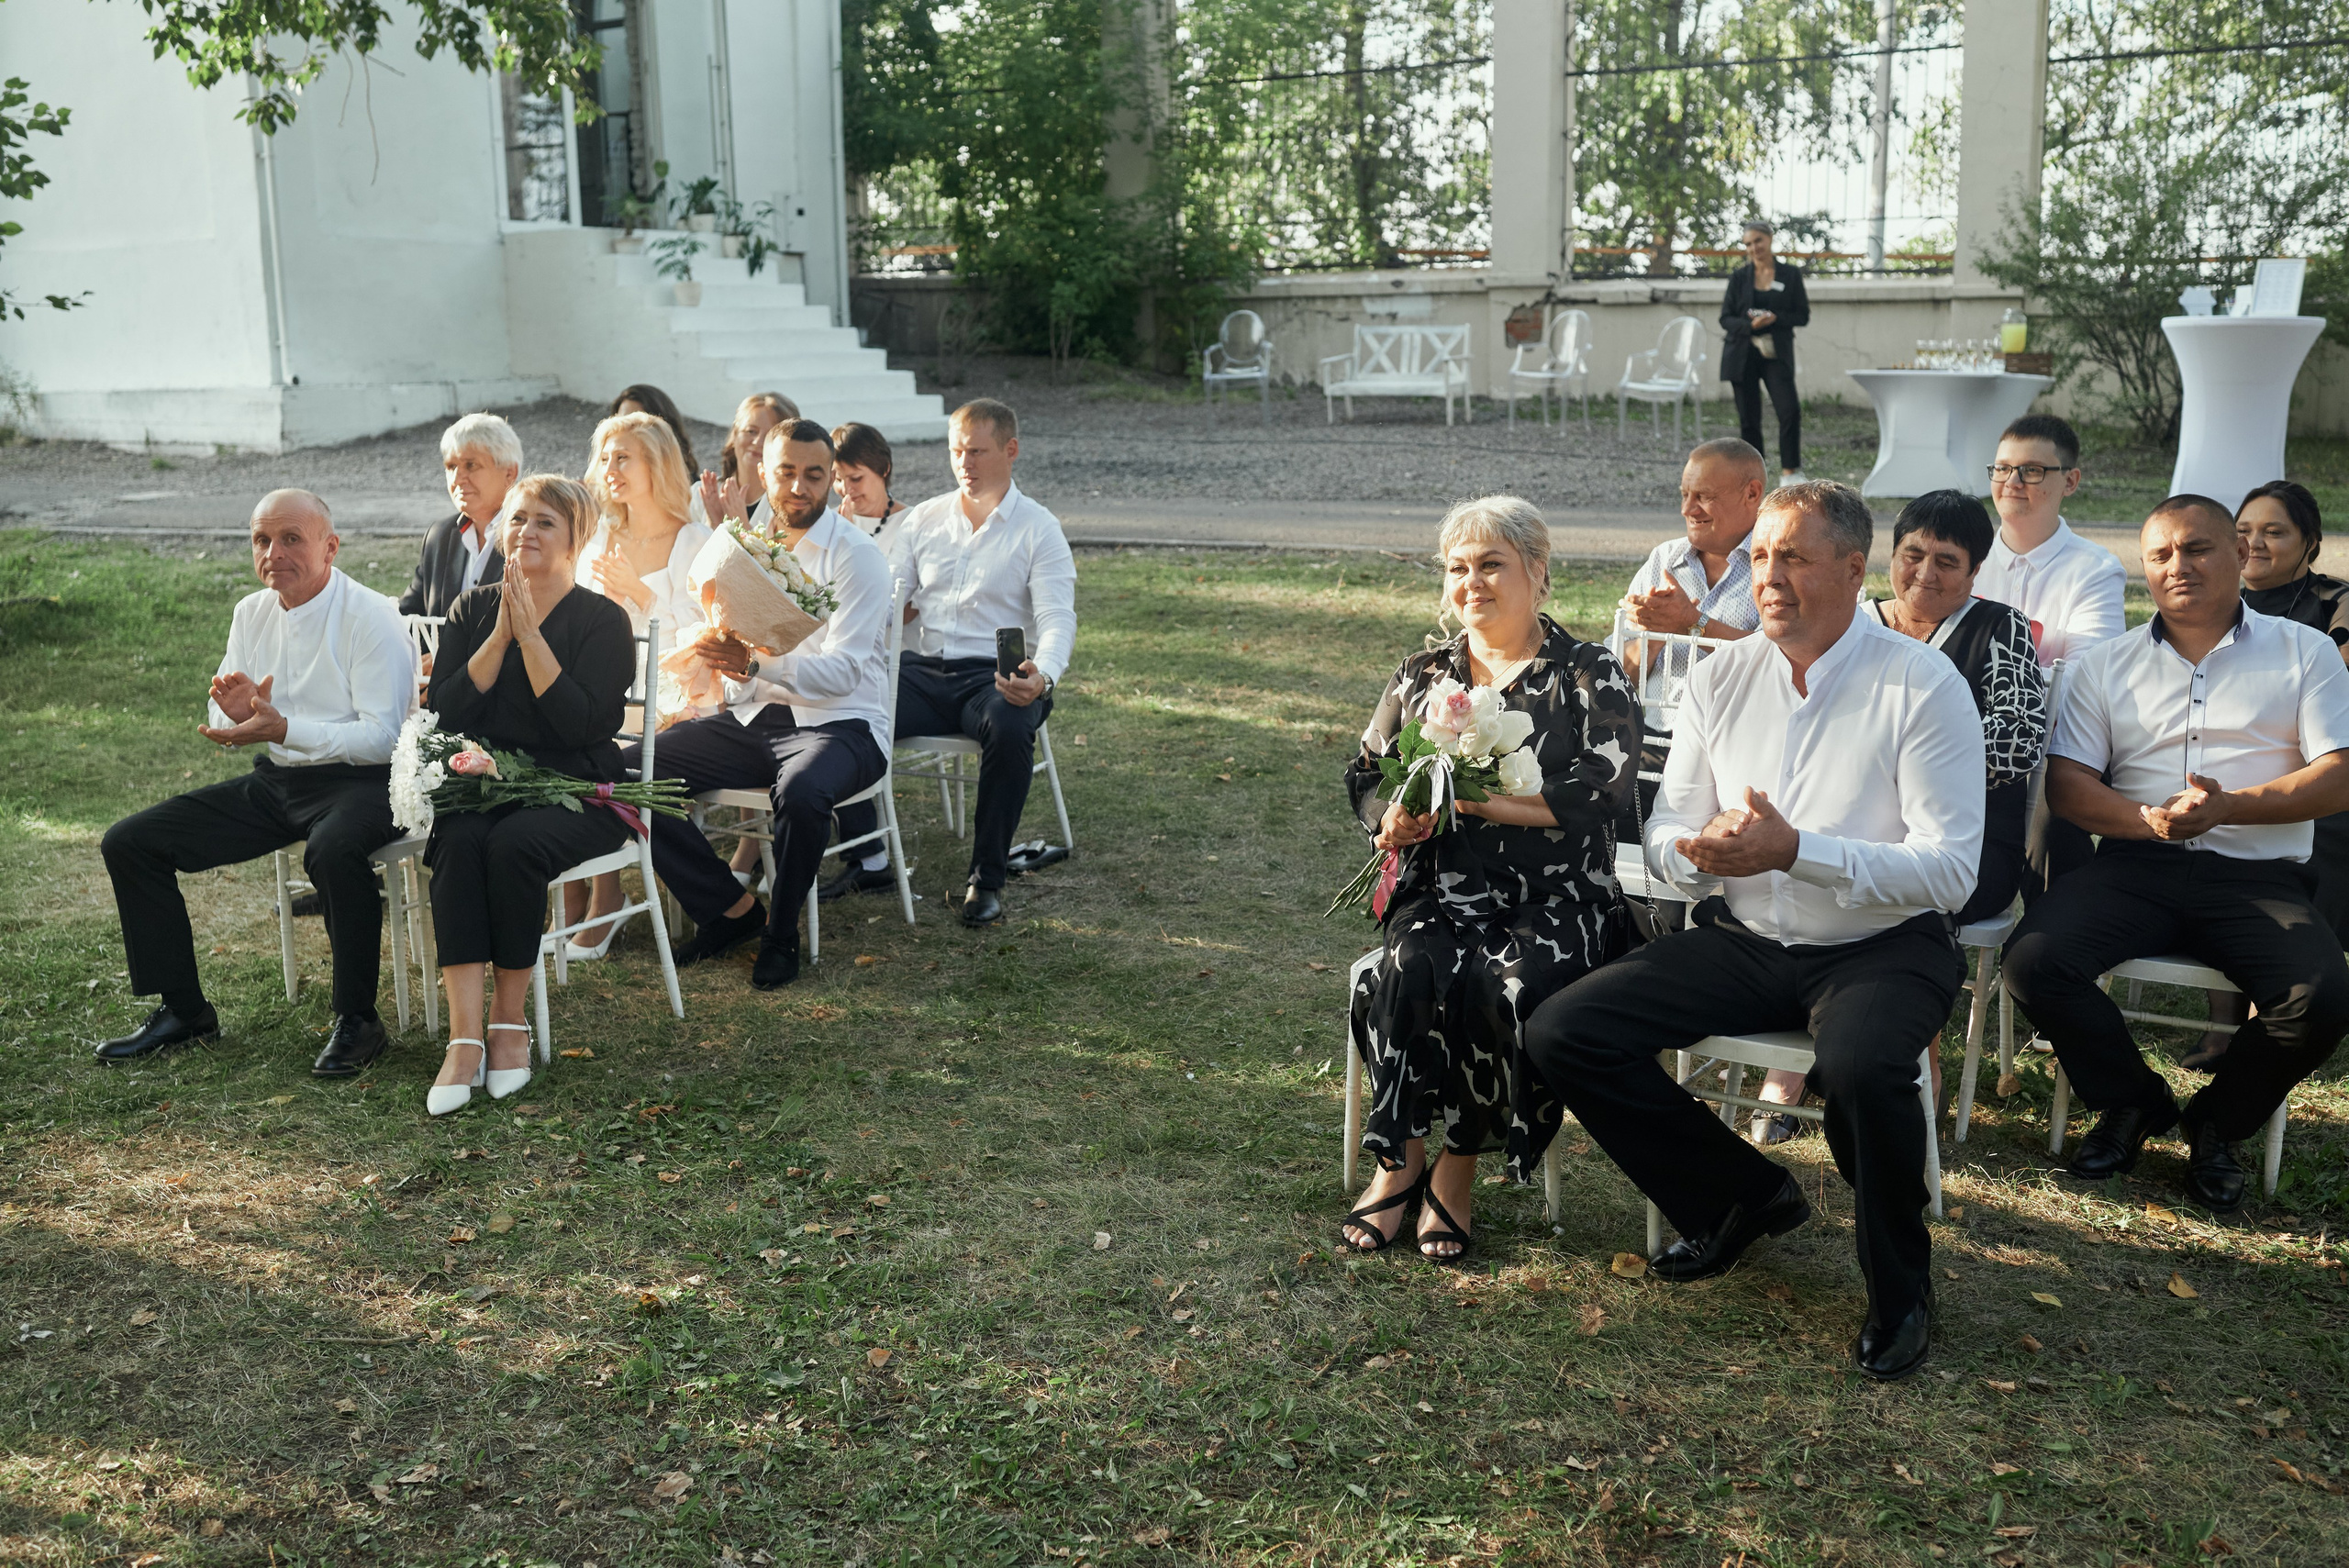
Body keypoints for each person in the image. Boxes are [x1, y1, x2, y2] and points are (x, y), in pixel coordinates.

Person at [1523, 480, 1986, 1382]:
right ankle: (1739, 1193)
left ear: (1853, 571)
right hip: (1746, 934)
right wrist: (1696, 852)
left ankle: (1901, 1286)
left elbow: (1949, 871)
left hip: (1882, 943)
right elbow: (1665, 826)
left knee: (1858, 1065)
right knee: (1562, 1030)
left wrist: (1797, 849)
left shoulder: (1921, 684)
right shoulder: (1721, 673)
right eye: (1762, 555)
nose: (1767, 574)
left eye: (1793, 556)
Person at [2001, 495, 2349, 1212]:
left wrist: (2231, 807)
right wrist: (2149, 819)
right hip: (2139, 862)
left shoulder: (2303, 650)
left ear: (2238, 555)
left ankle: (2216, 1123)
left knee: (2322, 998)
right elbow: (2069, 787)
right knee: (2033, 961)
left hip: (2258, 873)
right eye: (2160, 554)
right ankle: (2134, 1102)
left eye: (2197, 548)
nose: (2178, 566)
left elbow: (2338, 773)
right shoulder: (2108, 664)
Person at [1340, 496, 1637, 1262]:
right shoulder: (1423, 674)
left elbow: (1602, 791)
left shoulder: (1585, 671)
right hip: (1442, 890)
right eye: (1458, 568)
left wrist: (1476, 799)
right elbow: (1368, 771)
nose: (1472, 581)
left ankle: (1458, 1168)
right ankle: (1399, 1160)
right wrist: (1391, 821)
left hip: (1559, 901)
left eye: (1492, 564)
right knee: (1408, 968)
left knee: (1495, 985)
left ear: (1538, 575)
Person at [97, 490, 414, 1074]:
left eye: (292, 538)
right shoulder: (252, 611)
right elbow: (222, 708)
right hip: (277, 783)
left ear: (330, 547)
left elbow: (385, 739)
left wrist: (284, 726)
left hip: (365, 785)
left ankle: (358, 1020)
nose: (274, 552)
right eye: (262, 540)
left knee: (333, 849)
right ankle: (184, 1011)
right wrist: (240, 716)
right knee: (130, 841)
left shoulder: (372, 614)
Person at [627, 420, 893, 992]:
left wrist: (755, 666)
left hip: (843, 726)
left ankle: (781, 934)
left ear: (831, 479)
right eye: (787, 473)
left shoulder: (859, 558)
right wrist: (723, 659)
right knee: (631, 772)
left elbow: (845, 672)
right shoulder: (749, 547)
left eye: (814, 475)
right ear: (765, 475)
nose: (800, 487)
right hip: (758, 716)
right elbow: (739, 651)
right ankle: (731, 911)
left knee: (800, 792)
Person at [422, 475, 637, 1117]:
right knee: (458, 842)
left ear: (577, 536)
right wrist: (500, 635)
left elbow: (582, 726)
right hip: (486, 783)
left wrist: (533, 637)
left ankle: (507, 1023)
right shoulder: (470, 610)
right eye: (517, 520)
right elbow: (449, 709)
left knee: (514, 846)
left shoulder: (603, 620)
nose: (527, 532)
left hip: (578, 789)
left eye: (545, 521)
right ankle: (464, 1038)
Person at [836, 398, 1076, 927]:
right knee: (843, 705)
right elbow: (886, 601)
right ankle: (867, 855)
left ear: (1010, 451)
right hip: (923, 671)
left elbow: (1058, 617)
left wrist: (1043, 676)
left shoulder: (1039, 528)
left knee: (1013, 724)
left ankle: (986, 880)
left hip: (994, 677)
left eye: (977, 451)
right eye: (956, 451)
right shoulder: (925, 519)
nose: (964, 463)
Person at [2191, 481, 2349, 1069]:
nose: (2254, 543)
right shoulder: (2209, 597)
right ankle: (2222, 1020)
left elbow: (2330, 689)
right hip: (2223, 763)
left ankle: (2277, 1005)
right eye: (2243, 532)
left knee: (2325, 832)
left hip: (2316, 765)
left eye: (2274, 531)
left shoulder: (2337, 602)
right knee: (2205, 827)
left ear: (2310, 543)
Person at [568, 411, 716, 958]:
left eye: (623, 457)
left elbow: (703, 635)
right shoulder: (600, 535)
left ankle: (607, 900)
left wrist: (638, 592)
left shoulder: (693, 538)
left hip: (678, 695)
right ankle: (577, 893)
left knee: (593, 751)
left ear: (657, 463)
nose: (611, 468)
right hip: (608, 689)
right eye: (605, 458)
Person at [1971, 412, 2124, 903]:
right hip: (1963, 739)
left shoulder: (2094, 568)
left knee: (2056, 825)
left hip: (2057, 743)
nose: (2012, 481)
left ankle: (2041, 957)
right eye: (2002, 468)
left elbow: (2085, 676)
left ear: (2070, 481)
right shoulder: (1964, 560)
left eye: (2032, 470)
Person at [400, 412, 518, 619]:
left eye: (471, 465)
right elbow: (408, 615)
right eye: (451, 467)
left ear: (509, 473)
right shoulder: (440, 535)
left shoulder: (530, 537)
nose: (457, 478)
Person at [1717, 221, 1809, 484]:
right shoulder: (1739, 278)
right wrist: (1749, 325)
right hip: (1742, 353)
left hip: (1775, 353)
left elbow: (1802, 316)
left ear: (1770, 239)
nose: (1753, 248)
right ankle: (1753, 474)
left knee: (1789, 410)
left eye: (1758, 241)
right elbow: (1725, 318)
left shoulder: (1790, 275)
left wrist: (1775, 318)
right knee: (1749, 418)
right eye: (1748, 244)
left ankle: (1790, 473)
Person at [698, 392, 796, 531]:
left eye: (770, 435)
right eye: (751, 431)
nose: (758, 442)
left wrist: (743, 527)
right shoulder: (698, 496)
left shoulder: (790, 507)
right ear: (735, 435)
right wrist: (714, 525)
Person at [608, 384, 704, 517]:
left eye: (636, 424)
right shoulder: (612, 488)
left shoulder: (695, 495)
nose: (625, 430)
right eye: (621, 422)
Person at [833, 421, 910, 556]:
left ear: (884, 469)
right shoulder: (828, 523)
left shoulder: (913, 522)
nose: (845, 489)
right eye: (838, 480)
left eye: (856, 478)